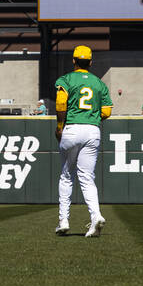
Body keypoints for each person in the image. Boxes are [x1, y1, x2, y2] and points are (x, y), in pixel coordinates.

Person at [54, 45, 113, 237]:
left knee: (66, 175)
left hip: (71, 128)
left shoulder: (66, 79)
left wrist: (60, 126)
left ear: (73, 61)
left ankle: (64, 220)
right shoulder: (99, 83)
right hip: (92, 130)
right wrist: (91, 117)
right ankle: (96, 216)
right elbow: (106, 111)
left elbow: (61, 102)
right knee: (87, 178)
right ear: (90, 62)